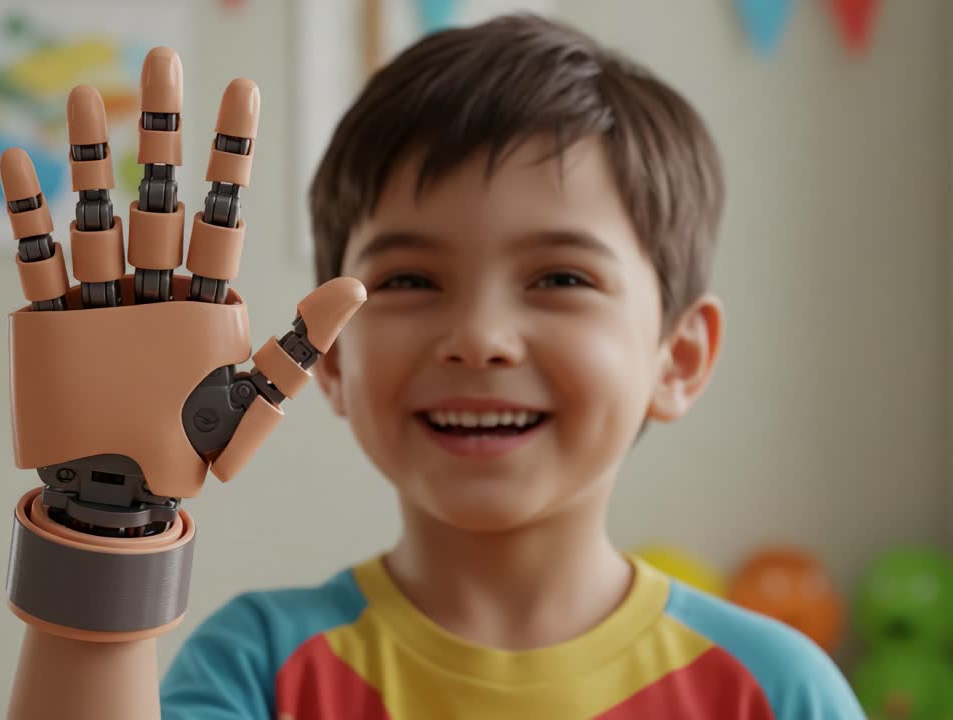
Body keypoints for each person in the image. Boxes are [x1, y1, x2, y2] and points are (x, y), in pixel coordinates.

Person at [158, 12, 865, 719]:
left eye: (560, 279)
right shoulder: (257, 671)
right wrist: (104, 526)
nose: (479, 338)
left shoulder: (777, 692)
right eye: (410, 280)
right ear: (333, 354)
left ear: (678, 357)